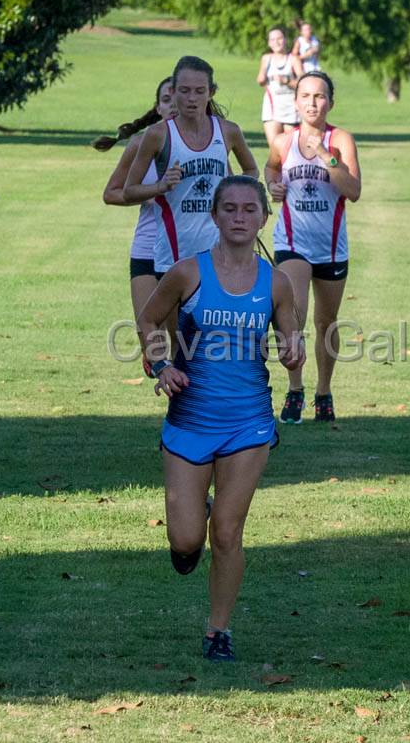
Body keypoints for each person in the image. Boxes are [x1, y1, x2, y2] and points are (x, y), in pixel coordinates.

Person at [137, 175, 305, 661]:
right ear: (214, 216)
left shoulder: (276, 282)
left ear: (262, 218)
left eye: (248, 210)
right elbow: (149, 320)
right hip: (189, 419)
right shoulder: (187, 273)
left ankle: (218, 631)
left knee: (228, 532)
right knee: (187, 539)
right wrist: (162, 364)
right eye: (228, 208)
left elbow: (289, 341)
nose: (238, 217)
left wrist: (293, 354)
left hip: (248, 422)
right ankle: (193, 519)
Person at [264, 72, 361, 423]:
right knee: (293, 316)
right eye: (305, 95)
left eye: (319, 96)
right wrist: (273, 185)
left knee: (327, 322)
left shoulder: (341, 140)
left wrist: (325, 155)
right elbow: (272, 169)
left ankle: (323, 391)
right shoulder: (283, 141)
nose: (312, 103)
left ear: (330, 102)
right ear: (295, 101)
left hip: (332, 247)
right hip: (292, 242)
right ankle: (294, 388)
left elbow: (352, 190)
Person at [123, 56, 259, 278]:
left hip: (220, 254)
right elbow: (129, 191)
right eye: (184, 91)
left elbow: (251, 171)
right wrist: (160, 186)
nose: (192, 98)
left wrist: (235, 197)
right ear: (174, 92)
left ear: (211, 92)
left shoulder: (228, 131)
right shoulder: (158, 135)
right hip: (173, 257)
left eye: (199, 91)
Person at [98, 76, 177, 373]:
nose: (173, 106)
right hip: (147, 249)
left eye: (177, 97)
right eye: (166, 100)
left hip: (187, 250)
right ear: (157, 107)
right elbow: (111, 194)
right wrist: (153, 190)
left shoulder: (205, 143)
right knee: (152, 343)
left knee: (184, 342)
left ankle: (185, 413)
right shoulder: (140, 143)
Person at [256, 28, 304, 150]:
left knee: (292, 148)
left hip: (291, 108)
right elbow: (260, 79)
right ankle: (276, 170)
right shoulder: (266, 58)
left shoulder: (293, 59)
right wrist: (261, 79)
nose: (276, 42)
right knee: (275, 149)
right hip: (272, 107)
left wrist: (286, 81)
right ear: (269, 43)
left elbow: (303, 83)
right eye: (272, 39)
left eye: (279, 39)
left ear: (285, 40)